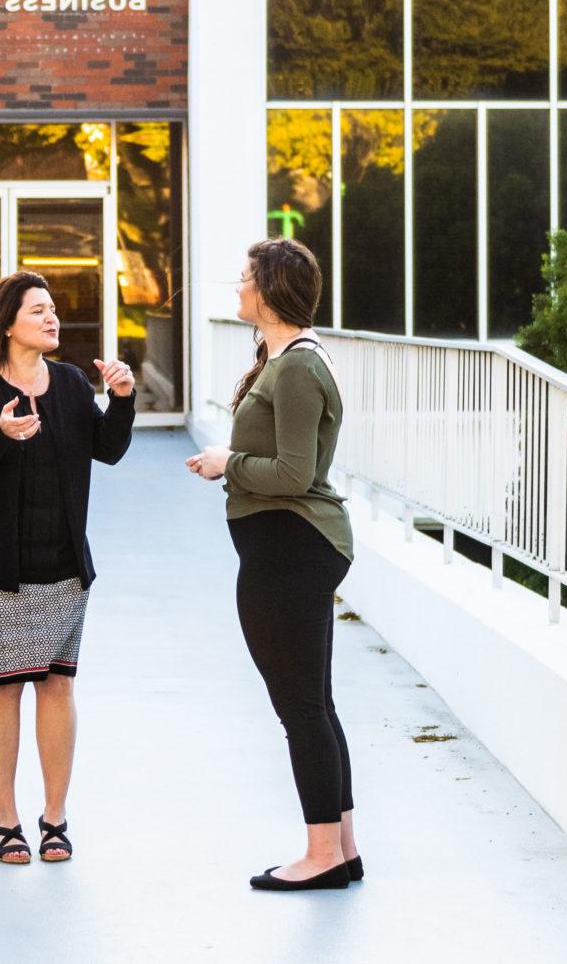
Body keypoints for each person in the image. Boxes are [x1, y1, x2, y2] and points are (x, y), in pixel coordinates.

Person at [184, 238, 361, 892]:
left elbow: (295, 473)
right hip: (287, 545)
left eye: (245, 279)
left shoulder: (296, 369)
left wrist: (225, 463)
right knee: (315, 702)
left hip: (291, 546)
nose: (237, 289)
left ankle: (319, 856)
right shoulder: (283, 359)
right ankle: (340, 848)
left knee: (300, 709)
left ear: (271, 290)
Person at [0, 271, 136, 865]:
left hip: (61, 563)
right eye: (38, 311)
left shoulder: (74, 384)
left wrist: (122, 400)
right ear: (6, 324)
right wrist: (0, 434)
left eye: (53, 310)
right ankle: (6, 819)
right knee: (0, 689)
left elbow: (107, 448)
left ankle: (55, 817)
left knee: (57, 683)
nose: (52, 319)